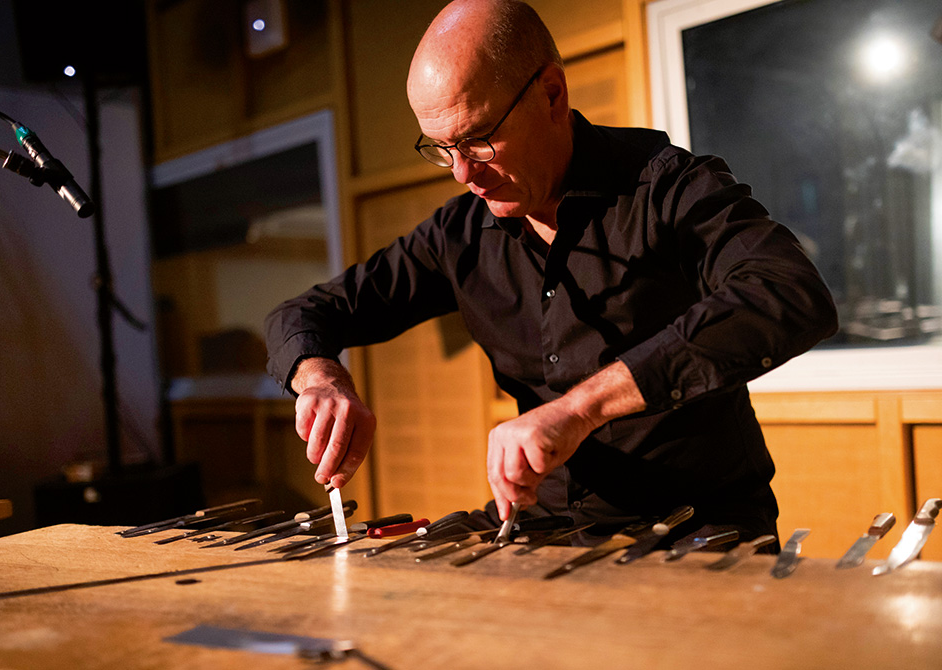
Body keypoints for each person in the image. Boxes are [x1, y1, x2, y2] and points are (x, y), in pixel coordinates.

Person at [264, 0, 838, 547]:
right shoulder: (457, 233)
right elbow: (300, 314)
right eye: (441, 148)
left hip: (693, 526)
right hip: (544, 528)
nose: (463, 173)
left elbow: (788, 291)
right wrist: (322, 380)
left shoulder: (666, 187)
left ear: (551, 93)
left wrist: (579, 408)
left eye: (479, 139)